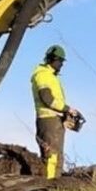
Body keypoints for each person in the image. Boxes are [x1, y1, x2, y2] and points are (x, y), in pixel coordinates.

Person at [31, 44, 80, 179]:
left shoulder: (51, 76)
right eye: (60, 61)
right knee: (51, 156)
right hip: (49, 121)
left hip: (53, 120)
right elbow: (47, 98)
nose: (62, 65)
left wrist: (65, 115)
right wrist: (67, 109)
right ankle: (48, 188)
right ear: (52, 59)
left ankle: (52, 187)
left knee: (56, 157)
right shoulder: (43, 75)